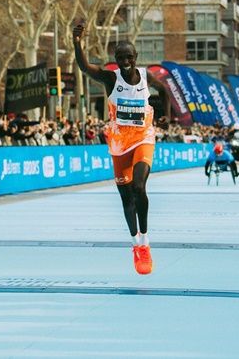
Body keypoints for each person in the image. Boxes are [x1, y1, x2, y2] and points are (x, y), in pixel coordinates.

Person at [74, 21, 174, 275]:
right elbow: (85, 67)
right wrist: (77, 42)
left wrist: (165, 116)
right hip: (119, 144)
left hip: (143, 137)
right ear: (115, 60)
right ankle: (135, 243)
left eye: (129, 56)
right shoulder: (110, 77)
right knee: (126, 197)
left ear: (136, 57)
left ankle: (146, 241)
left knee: (139, 186)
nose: (125, 61)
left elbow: (164, 91)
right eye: (120, 57)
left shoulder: (146, 76)